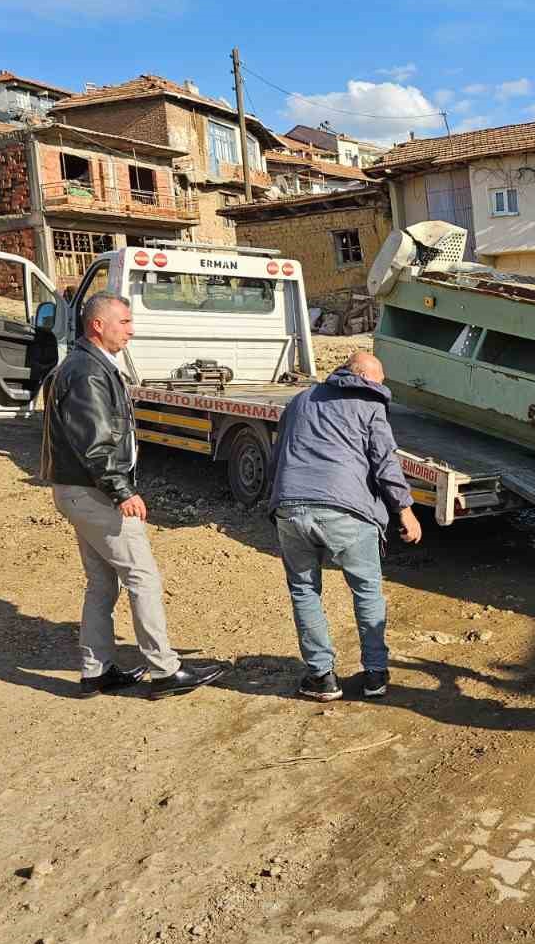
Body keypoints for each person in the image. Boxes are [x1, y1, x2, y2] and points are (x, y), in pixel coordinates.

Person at [43, 293, 227, 700]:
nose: (131, 330)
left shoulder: (86, 366)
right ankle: (164, 670)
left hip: (79, 490)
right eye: (124, 322)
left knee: (102, 583)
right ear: (97, 325)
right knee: (141, 577)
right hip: (94, 493)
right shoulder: (87, 372)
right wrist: (122, 490)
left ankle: (96, 672)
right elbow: (95, 443)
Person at [267, 351, 422, 703]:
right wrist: (405, 510)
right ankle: (375, 675)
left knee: (305, 591)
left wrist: (275, 502)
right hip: (346, 509)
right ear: (365, 378)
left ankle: (321, 678)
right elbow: (385, 462)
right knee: (366, 590)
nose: (379, 389)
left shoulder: (300, 400)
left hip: (291, 507)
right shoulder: (369, 405)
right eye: (378, 383)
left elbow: (279, 457)